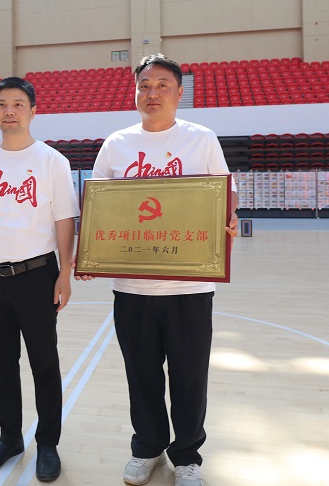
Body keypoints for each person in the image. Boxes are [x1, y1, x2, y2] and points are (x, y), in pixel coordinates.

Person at [79, 54, 239, 486]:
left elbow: (226, 193)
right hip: (131, 286)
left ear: (179, 92)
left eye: (163, 85)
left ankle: (187, 456)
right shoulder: (116, 144)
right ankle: (148, 448)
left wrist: (229, 216)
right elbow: (98, 206)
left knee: (190, 378)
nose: (153, 93)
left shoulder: (201, 139)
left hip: (189, 286)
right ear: (135, 92)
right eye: (145, 85)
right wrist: (89, 252)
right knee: (142, 376)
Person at [0, 76, 80, 482]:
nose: (9, 111)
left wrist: (64, 272)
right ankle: (9, 438)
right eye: (1, 105)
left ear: (32, 111)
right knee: (2, 366)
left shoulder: (51, 161)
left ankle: (48, 443)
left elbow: (65, 221)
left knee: (44, 364)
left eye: (18, 104)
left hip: (37, 276)